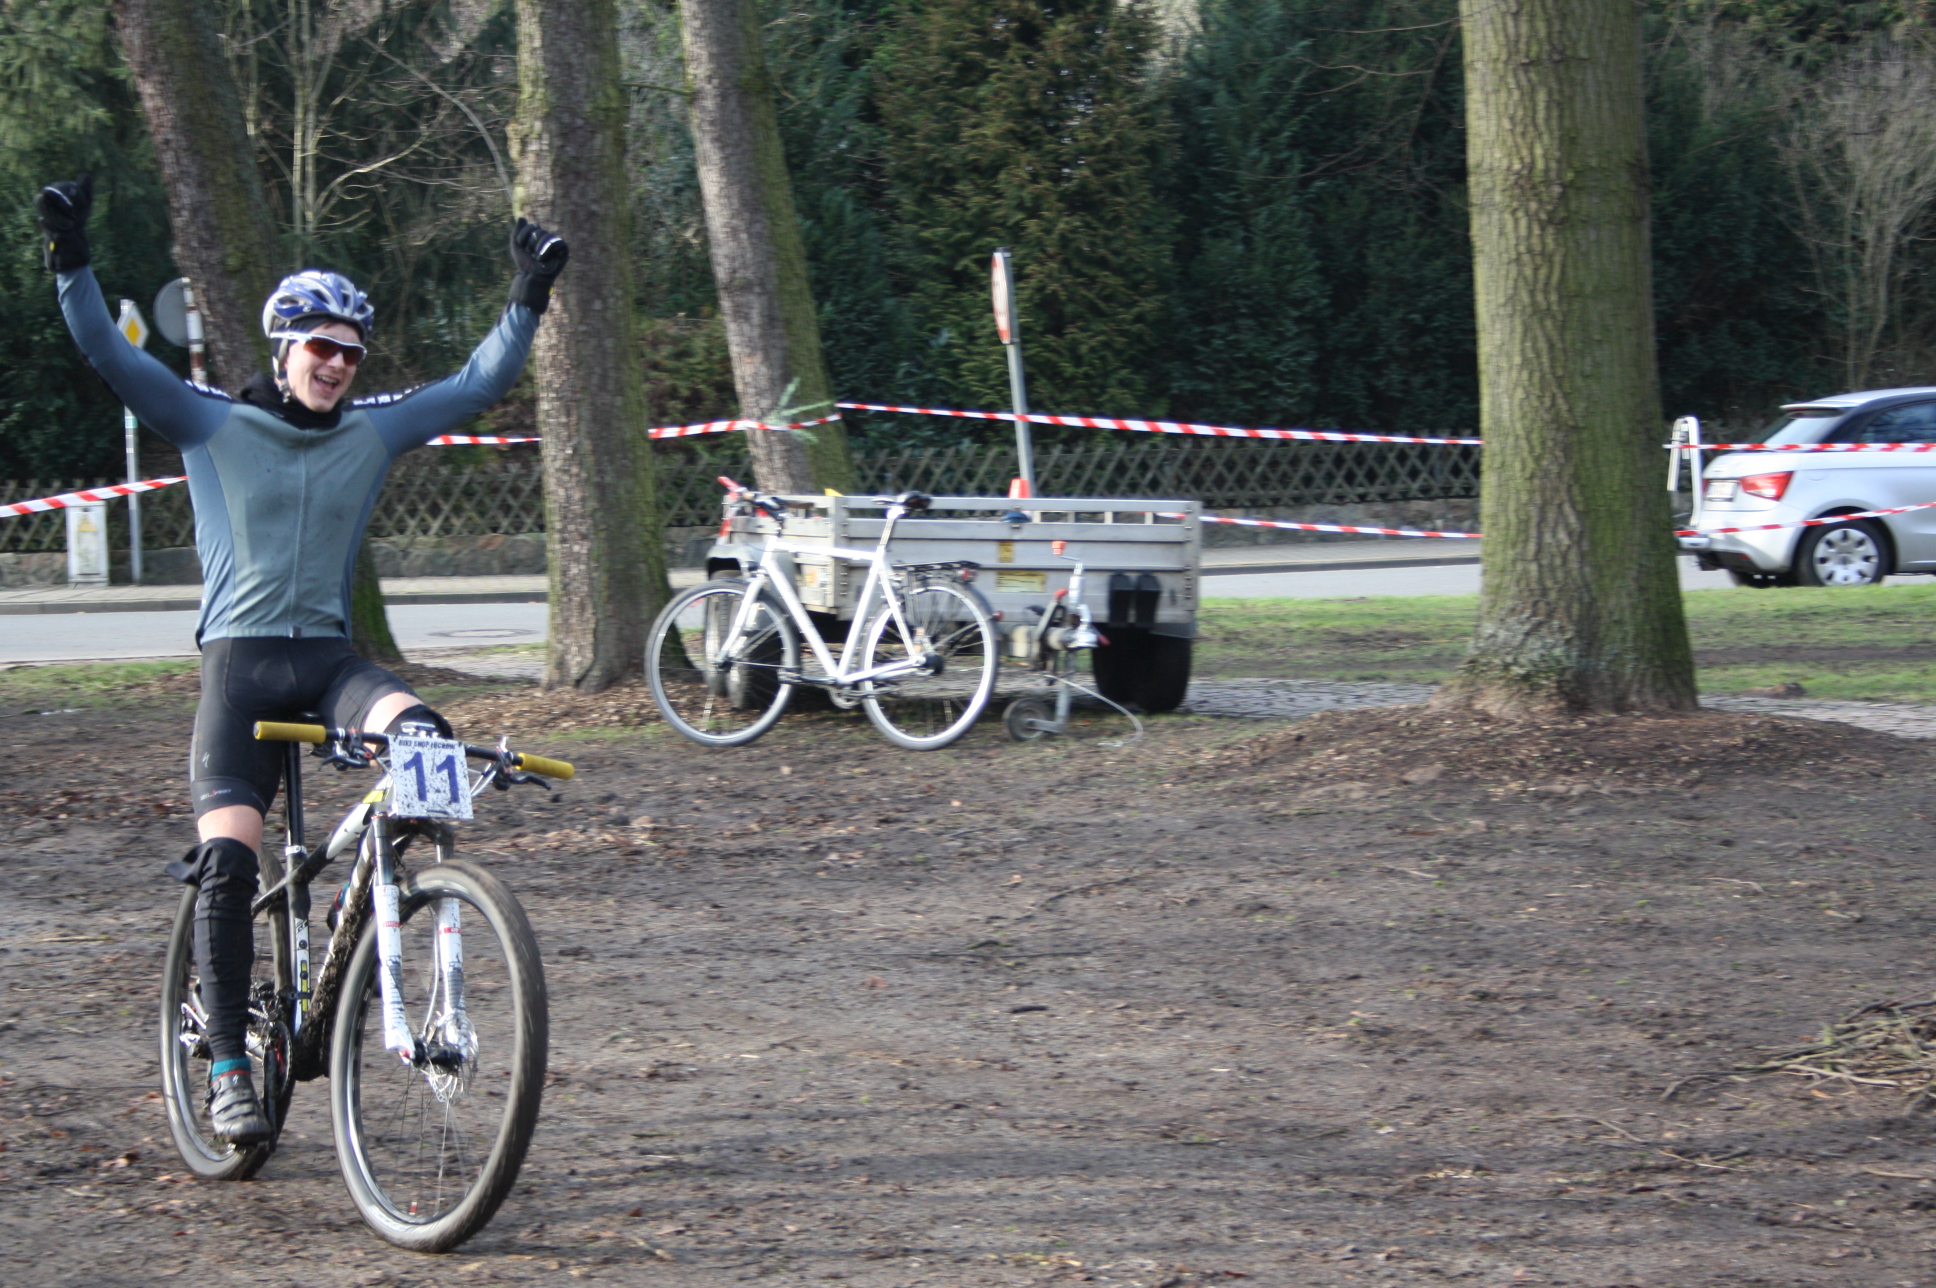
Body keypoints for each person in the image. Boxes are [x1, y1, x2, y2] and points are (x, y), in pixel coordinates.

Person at [35, 173, 569, 1145]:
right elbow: (106, 350)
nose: (338, 364)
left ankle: (376, 915)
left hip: (329, 666)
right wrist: (71, 255)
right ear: (284, 349)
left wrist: (527, 295)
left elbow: (475, 385)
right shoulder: (210, 421)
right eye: (321, 347)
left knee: (426, 739)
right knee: (231, 860)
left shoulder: (371, 430)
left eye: (351, 352)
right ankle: (228, 1066)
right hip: (239, 675)